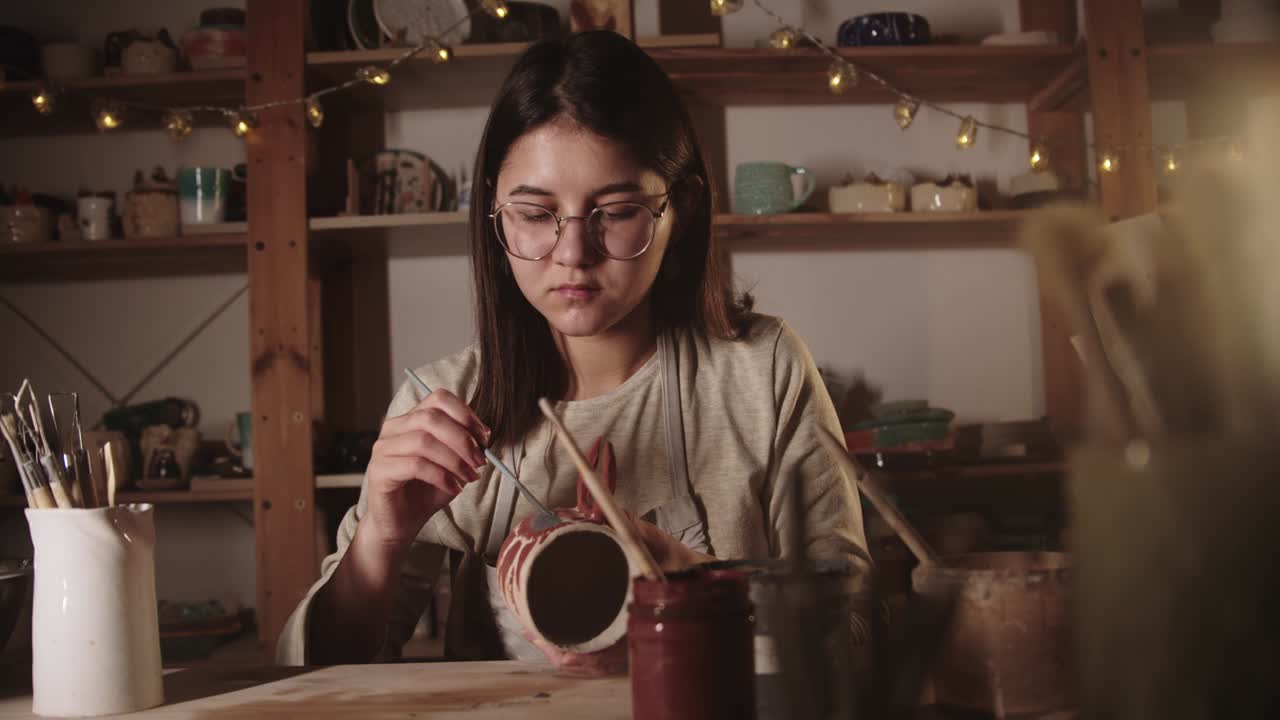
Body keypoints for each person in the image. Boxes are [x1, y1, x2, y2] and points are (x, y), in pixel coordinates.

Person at [278, 30, 868, 666]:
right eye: (535, 215)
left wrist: (696, 584)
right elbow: (311, 677)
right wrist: (380, 538)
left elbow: (857, 632)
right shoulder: (443, 406)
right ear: (494, 213)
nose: (573, 253)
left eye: (615, 211)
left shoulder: (761, 370)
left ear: (682, 208)